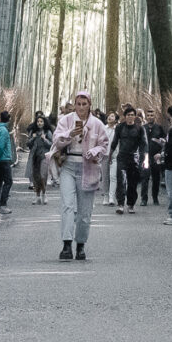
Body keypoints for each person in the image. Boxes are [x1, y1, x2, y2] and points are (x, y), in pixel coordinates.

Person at [50, 90, 110, 260]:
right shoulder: (66, 120)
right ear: (74, 105)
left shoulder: (97, 124)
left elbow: (104, 145)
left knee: (85, 211)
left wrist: (95, 151)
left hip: (88, 167)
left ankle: (81, 245)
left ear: (90, 105)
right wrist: (69, 134)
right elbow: (56, 140)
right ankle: (66, 244)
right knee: (67, 206)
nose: (81, 107)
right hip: (68, 165)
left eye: (85, 104)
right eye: (78, 104)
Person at [113, 107, 145, 212]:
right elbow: (114, 142)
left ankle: (131, 204)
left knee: (132, 182)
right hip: (122, 157)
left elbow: (144, 145)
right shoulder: (120, 127)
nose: (130, 117)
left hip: (134, 158)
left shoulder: (140, 129)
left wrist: (144, 159)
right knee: (121, 180)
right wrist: (109, 155)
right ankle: (120, 204)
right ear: (125, 116)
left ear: (135, 116)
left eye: (132, 115)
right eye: (128, 115)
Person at [26, 114, 53, 202]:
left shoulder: (47, 132)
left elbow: (52, 145)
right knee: (36, 176)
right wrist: (32, 139)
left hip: (44, 156)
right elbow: (28, 144)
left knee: (42, 175)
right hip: (35, 156)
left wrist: (45, 139)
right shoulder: (33, 132)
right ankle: (37, 195)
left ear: (44, 123)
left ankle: (44, 193)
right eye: (38, 121)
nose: (39, 123)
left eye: (41, 121)